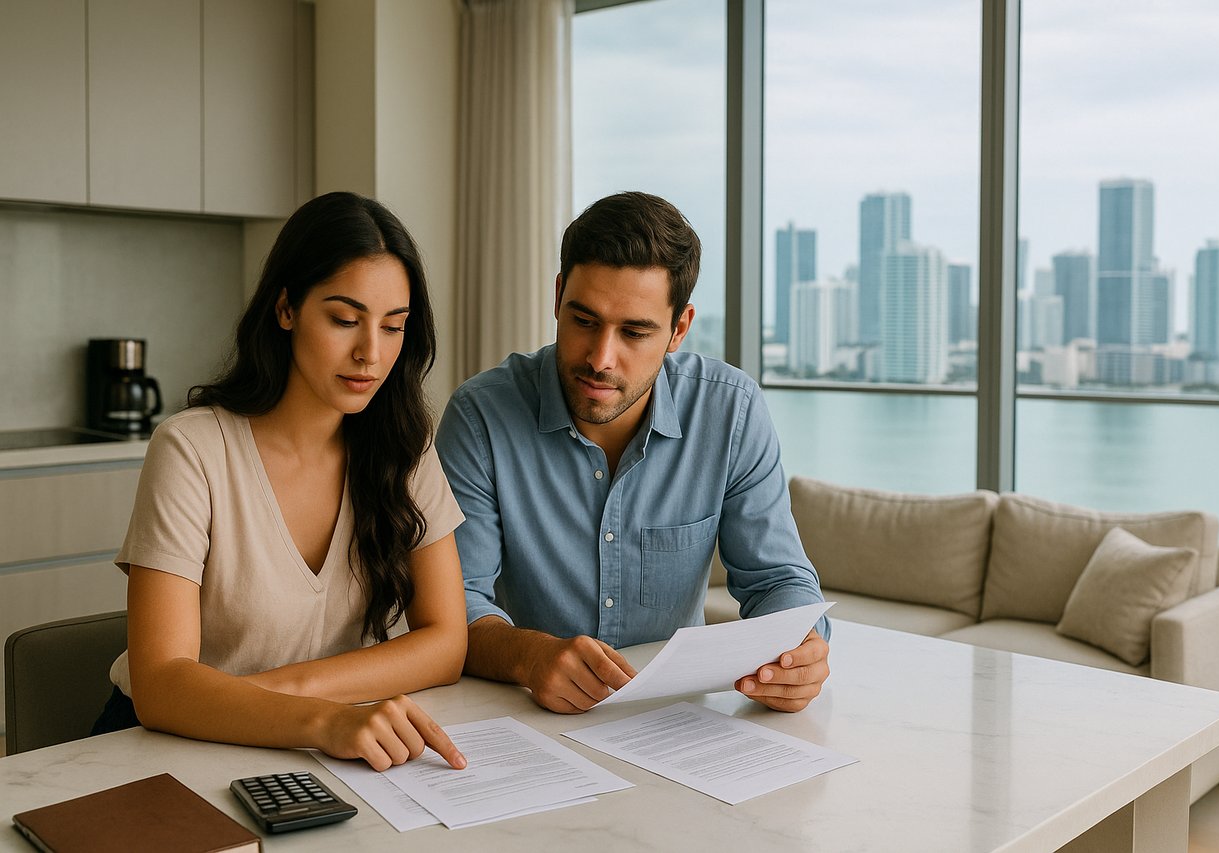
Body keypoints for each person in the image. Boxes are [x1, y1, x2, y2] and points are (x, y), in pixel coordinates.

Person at [92, 191, 468, 772]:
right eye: (344, 320)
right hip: (169, 748)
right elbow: (162, 684)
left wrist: (288, 697)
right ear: (286, 308)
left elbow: (446, 643)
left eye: (394, 327)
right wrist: (324, 719)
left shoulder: (403, 447)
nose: (370, 352)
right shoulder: (193, 449)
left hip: (313, 746)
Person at [436, 191, 830, 715]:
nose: (601, 358)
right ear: (557, 298)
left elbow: (778, 579)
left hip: (676, 720)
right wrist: (528, 656)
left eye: (635, 332)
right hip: (524, 715)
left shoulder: (730, 412)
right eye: (584, 321)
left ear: (679, 329)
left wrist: (800, 648)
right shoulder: (480, 415)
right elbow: (451, 602)